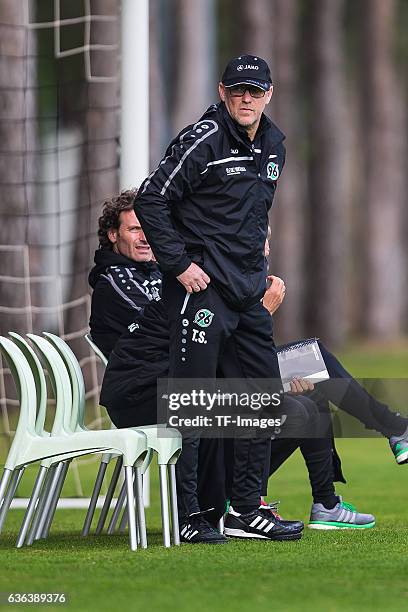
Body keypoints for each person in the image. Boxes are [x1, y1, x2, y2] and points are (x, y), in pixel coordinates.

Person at [134, 54, 306, 544]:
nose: (247, 99)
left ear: (269, 93)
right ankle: (187, 516)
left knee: (260, 401)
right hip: (202, 292)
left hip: (249, 292)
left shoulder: (274, 144)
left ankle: (246, 510)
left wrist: (260, 240)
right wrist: (179, 265)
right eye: (238, 91)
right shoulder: (203, 139)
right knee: (194, 406)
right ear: (222, 92)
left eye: (255, 91)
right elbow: (151, 199)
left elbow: (255, 205)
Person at [88, 189, 162, 358]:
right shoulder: (114, 281)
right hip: (147, 380)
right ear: (114, 234)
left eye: (149, 228)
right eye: (135, 229)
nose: (145, 237)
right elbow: (165, 324)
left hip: (173, 373)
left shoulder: (156, 272)